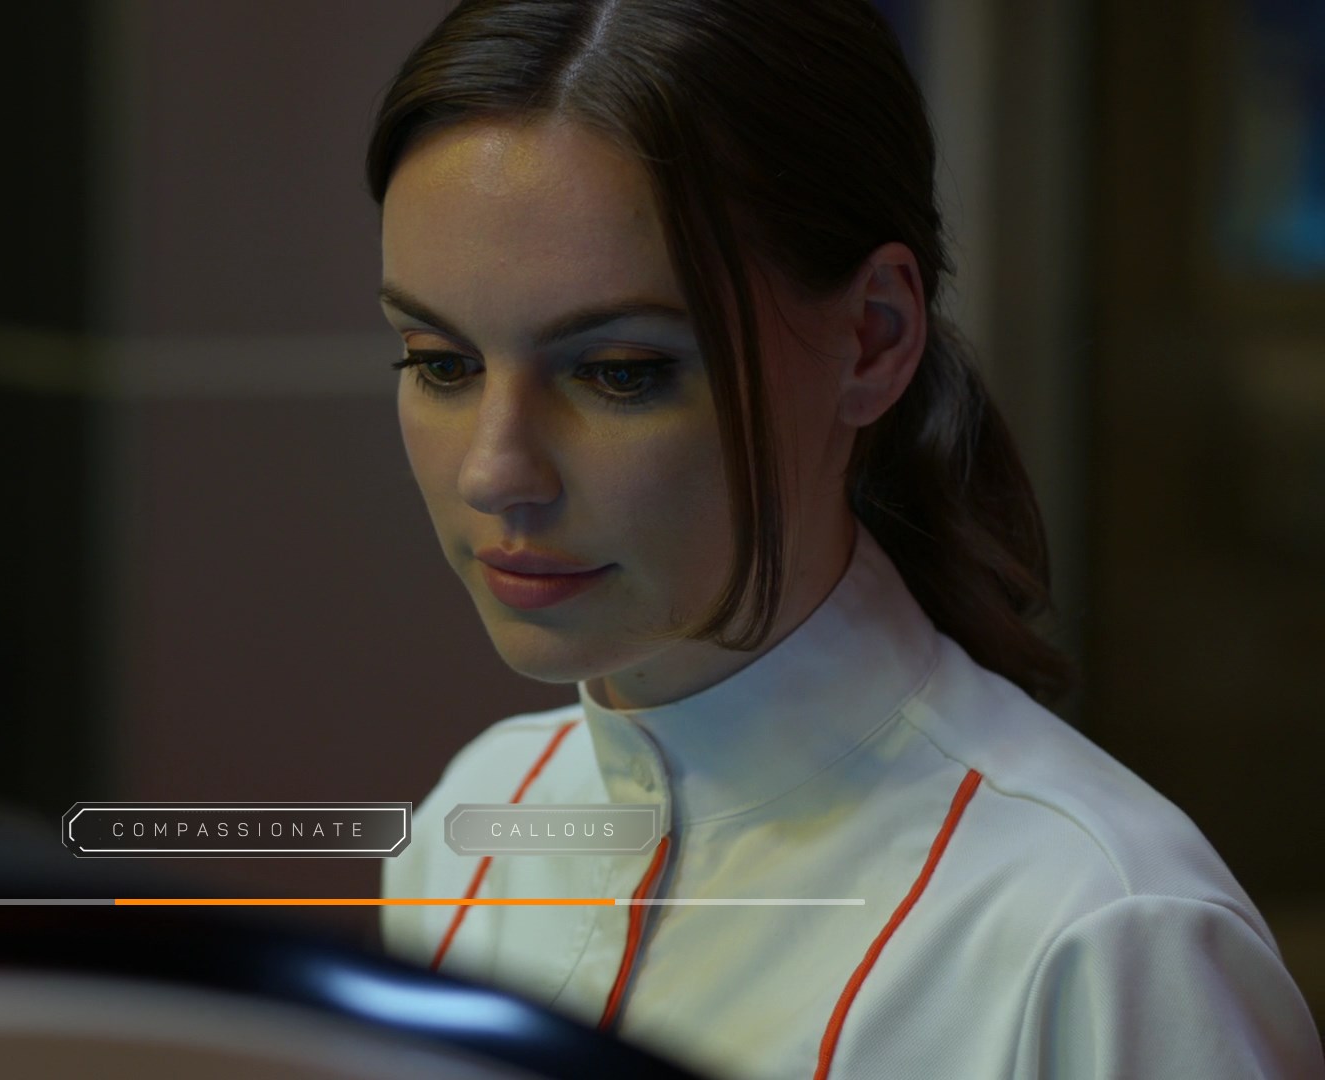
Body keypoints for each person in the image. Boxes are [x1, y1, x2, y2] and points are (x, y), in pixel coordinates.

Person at [368, 2, 1325, 1077]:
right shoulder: (475, 827)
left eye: (620, 372)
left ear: (873, 337)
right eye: (441, 363)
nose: (494, 471)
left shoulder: (1102, 933)